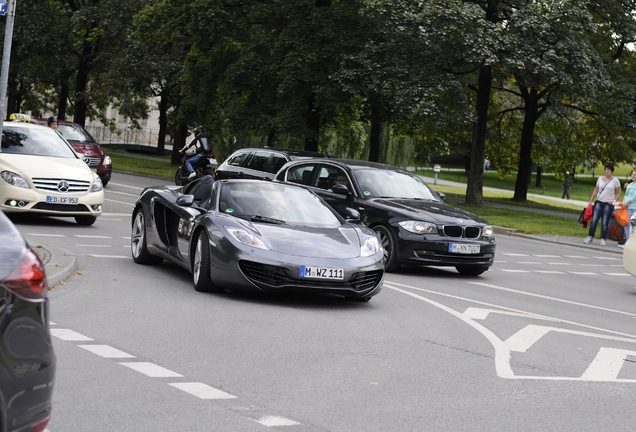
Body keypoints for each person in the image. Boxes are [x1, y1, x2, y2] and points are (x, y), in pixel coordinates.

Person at [583, 163, 622, 246]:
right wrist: (590, 201)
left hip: (608, 203)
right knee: (594, 220)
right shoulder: (600, 179)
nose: (607, 171)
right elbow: (596, 190)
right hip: (599, 202)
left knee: (605, 221)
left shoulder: (615, 181)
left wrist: (614, 200)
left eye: (609, 170)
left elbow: (619, 192)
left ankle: (603, 239)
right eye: (606, 169)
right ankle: (590, 236)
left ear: (612, 171)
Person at [620, 169, 636, 247]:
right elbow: (626, 195)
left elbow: (634, 197)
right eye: (632, 174)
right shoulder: (630, 185)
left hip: (633, 208)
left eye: (635, 175)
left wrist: (626, 203)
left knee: (629, 225)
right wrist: (623, 203)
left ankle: (629, 243)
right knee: (627, 224)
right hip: (627, 207)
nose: (633, 176)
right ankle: (628, 242)